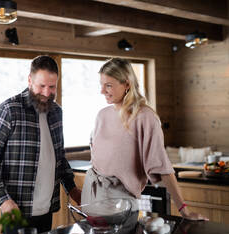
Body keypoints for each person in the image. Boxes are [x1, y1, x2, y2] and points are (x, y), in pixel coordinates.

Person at [82, 58, 208, 221]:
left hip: (119, 204)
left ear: (127, 84)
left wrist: (184, 210)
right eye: (101, 84)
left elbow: (162, 167)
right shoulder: (102, 115)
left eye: (108, 85)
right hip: (91, 196)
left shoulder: (144, 117)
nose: (102, 91)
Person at [0, 55, 82, 234]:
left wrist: (72, 189)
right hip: (16, 209)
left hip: (47, 208)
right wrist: (2, 200)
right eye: (41, 86)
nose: (47, 92)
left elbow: (58, 156)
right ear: (29, 80)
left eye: (52, 87)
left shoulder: (57, 112)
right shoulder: (9, 110)